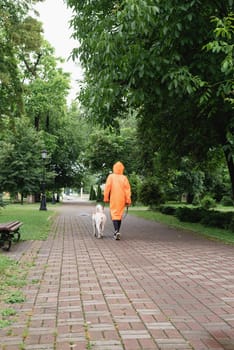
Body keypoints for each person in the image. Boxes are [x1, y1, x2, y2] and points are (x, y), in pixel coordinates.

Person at [104, 161, 131, 240]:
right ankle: (117, 231)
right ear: (122, 168)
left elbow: (107, 188)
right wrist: (128, 200)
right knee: (119, 215)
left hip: (114, 198)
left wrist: (106, 198)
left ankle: (116, 231)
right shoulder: (124, 178)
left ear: (114, 168)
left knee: (114, 214)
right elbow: (127, 190)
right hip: (122, 199)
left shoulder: (111, 176)